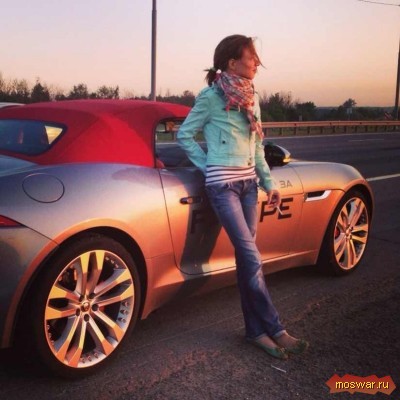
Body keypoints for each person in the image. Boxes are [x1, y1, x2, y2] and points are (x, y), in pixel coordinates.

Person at [177, 34, 308, 359]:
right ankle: (276, 329)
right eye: (252, 58)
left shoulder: (252, 97)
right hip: (223, 187)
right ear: (232, 62)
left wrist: (269, 183)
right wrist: (209, 166)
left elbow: (257, 144)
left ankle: (255, 333)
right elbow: (184, 134)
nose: (256, 64)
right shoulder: (210, 97)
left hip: (249, 186)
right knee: (252, 258)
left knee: (246, 262)